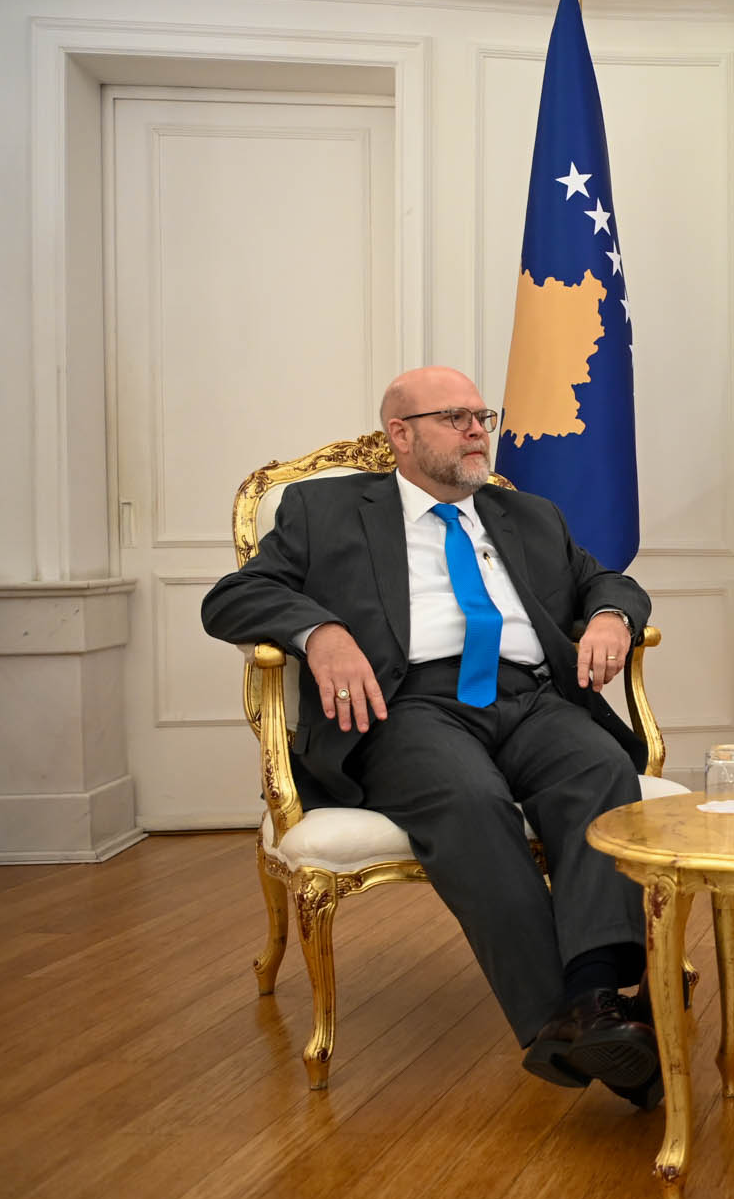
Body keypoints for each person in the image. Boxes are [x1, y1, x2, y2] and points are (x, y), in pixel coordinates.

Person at [201, 367, 663, 1108]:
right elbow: (232, 598)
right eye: (454, 417)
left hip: (530, 697)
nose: (477, 429)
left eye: (481, 415)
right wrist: (320, 632)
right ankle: (578, 1015)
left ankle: (590, 999)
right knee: (468, 798)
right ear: (401, 435)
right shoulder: (325, 510)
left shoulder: (528, 513)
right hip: (407, 706)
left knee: (601, 767)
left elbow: (609, 582)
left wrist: (611, 616)